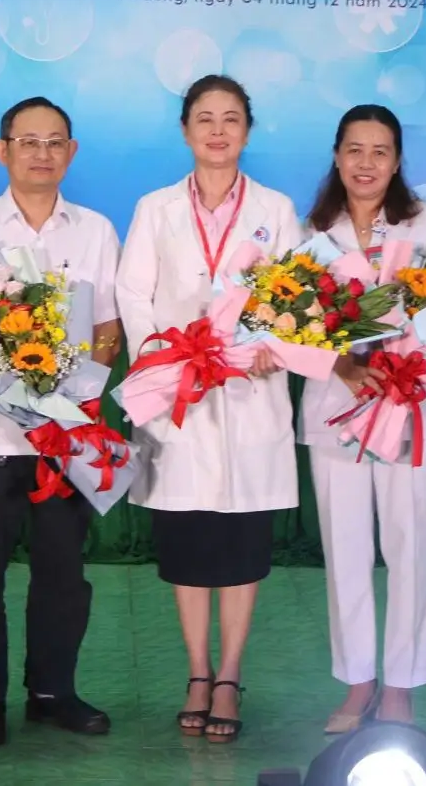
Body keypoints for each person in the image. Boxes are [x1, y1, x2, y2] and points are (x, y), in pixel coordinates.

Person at [0, 96, 123, 747]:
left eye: (55, 141)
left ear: (71, 151)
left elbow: (108, 329)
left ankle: (51, 692)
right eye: (28, 141)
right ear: (2, 149)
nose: (42, 152)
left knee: (63, 572)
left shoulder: (95, 230)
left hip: (65, 435)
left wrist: (73, 394)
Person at [116, 74, 301, 744]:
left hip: (249, 389)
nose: (218, 130)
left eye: (230, 118)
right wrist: (166, 359)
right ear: (186, 130)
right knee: (188, 542)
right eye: (205, 118)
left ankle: (230, 673)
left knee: (243, 544)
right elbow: (133, 293)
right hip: (180, 395)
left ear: (247, 130)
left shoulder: (277, 208)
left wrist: (272, 347)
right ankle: (197, 670)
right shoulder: (156, 208)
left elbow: (295, 295)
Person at [298, 104, 426, 731]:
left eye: (380, 152)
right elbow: (287, 320)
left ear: (397, 162)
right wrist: (339, 364)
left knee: (410, 546)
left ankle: (401, 687)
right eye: (354, 150)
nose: (366, 164)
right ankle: (358, 681)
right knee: (345, 550)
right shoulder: (310, 232)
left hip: (412, 406)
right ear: (337, 157)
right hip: (337, 408)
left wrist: (409, 360)